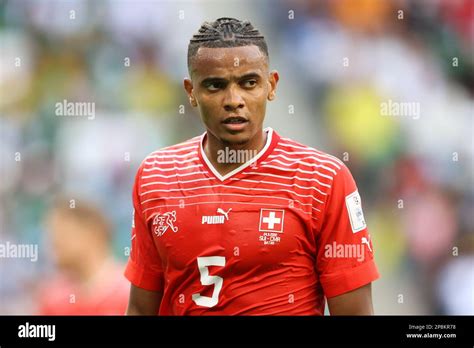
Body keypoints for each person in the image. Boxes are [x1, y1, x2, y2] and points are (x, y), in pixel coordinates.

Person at [125, 17, 379, 315]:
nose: (234, 100)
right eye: (215, 86)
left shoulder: (323, 179)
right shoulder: (156, 175)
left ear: (271, 85)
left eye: (248, 83)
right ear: (190, 91)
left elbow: (355, 313)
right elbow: (142, 309)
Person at [37, 198, 129, 315]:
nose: (54, 242)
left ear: (93, 232)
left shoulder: (131, 292)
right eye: (52, 234)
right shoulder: (52, 297)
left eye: (63, 233)